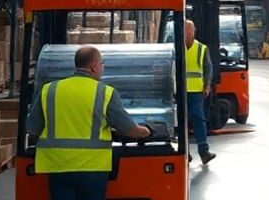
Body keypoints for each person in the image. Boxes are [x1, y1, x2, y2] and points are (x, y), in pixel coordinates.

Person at [26, 46, 154, 200]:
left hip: (57, 166)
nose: (102, 68)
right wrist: (147, 131)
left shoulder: (49, 90)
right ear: (94, 66)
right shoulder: (105, 92)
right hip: (92, 168)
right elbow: (128, 129)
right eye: (102, 64)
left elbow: (32, 129)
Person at [183, 19, 216, 165]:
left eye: (190, 30)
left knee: (198, 119)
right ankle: (185, 153)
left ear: (194, 31)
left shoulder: (201, 49)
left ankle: (203, 151)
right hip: (180, 91)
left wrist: (207, 85)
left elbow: (208, 68)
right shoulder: (176, 47)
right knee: (182, 122)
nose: (188, 32)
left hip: (196, 91)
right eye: (185, 29)